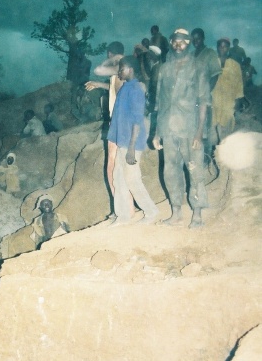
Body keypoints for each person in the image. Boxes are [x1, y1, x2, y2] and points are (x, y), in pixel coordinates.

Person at [153, 29, 210, 228]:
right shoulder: (164, 69)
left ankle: (197, 214)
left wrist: (199, 132)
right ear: (170, 42)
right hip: (168, 128)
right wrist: (157, 132)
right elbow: (159, 103)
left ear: (189, 44)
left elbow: (203, 101)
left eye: (183, 42)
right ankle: (176, 212)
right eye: (175, 42)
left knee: (194, 171)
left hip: (189, 127)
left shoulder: (198, 66)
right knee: (170, 171)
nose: (179, 46)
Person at [108, 57, 158, 225]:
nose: (119, 71)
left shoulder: (135, 89)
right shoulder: (125, 88)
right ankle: (122, 216)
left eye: (121, 68)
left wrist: (131, 148)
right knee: (118, 178)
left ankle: (151, 211)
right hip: (122, 141)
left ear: (130, 69)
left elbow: (138, 120)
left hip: (131, 143)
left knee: (132, 179)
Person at [85, 42, 125, 213]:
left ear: (110, 54)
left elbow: (99, 69)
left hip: (119, 122)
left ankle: (120, 209)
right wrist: (98, 84)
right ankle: (122, 208)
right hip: (119, 122)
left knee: (113, 168)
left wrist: (115, 58)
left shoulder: (119, 68)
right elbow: (115, 88)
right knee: (116, 167)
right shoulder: (122, 73)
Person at [211, 38, 244, 145]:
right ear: (217, 47)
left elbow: (239, 84)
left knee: (226, 135)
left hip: (228, 103)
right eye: (220, 46)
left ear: (228, 48)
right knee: (212, 133)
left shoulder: (235, 65)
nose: (222, 48)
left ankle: (224, 158)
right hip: (213, 101)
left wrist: (238, 101)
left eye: (225, 46)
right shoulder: (212, 62)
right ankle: (212, 158)